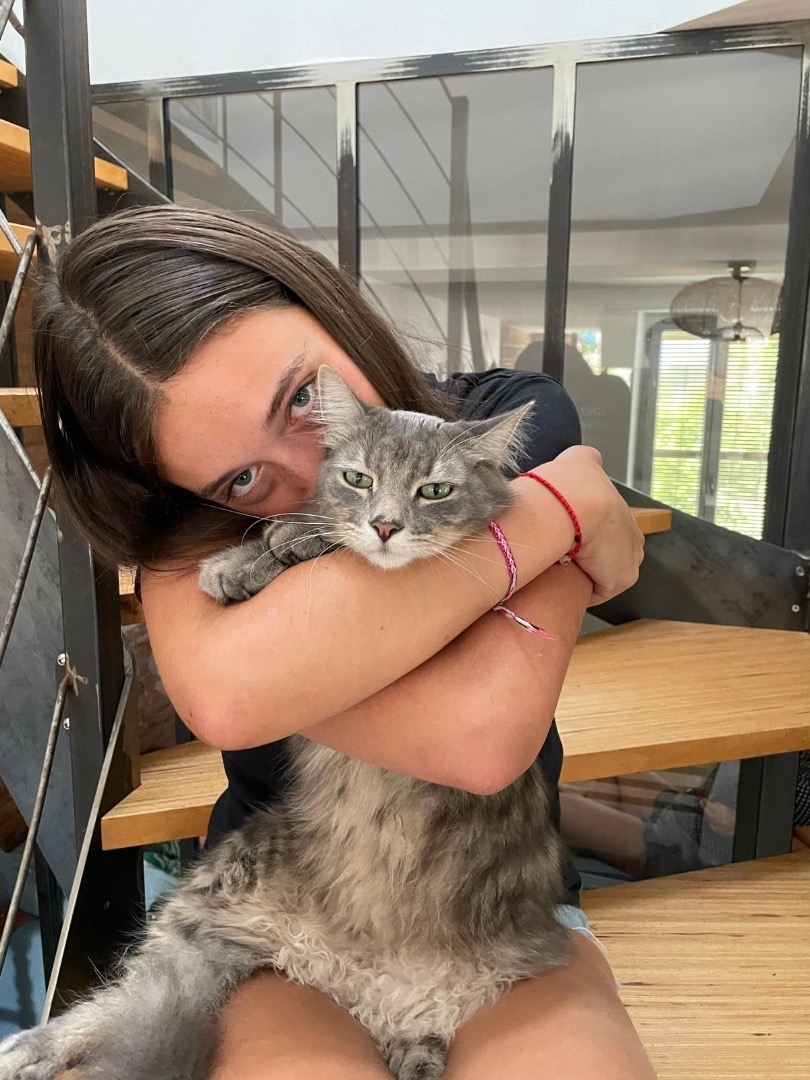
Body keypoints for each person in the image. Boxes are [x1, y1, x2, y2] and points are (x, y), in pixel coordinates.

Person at [33, 205, 652, 1079]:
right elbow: (230, 696)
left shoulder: (505, 417)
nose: (315, 470)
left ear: (324, 303)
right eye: (243, 479)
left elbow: (481, 739)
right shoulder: (184, 516)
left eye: (299, 397)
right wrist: (563, 509)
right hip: (285, 896)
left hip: (490, 906)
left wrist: (301, 648)